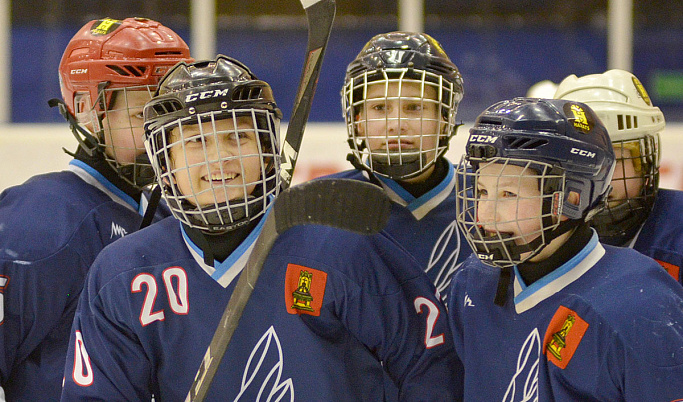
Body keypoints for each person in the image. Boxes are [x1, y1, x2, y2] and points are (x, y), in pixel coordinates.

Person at [60, 55, 463, 401]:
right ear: (165, 162)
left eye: (238, 136)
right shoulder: (123, 275)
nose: (221, 159)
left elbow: (430, 370)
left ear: (267, 150)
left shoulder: (343, 248)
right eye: (197, 141)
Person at [0, 17, 190, 400]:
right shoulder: (39, 226)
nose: (163, 131)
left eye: (171, 111)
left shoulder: (165, 216)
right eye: (143, 115)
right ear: (88, 109)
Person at [448, 97, 683, 400]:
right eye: (481, 191)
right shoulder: (472, 282)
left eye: (509, 193)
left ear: (572, 197)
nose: (485, 213)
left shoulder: (644, 305)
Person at [324, 31, 471, 300]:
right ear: (357, 120)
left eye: (415, 107)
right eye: (380, 108)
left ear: (444, 118)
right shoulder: (325, 205)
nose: (396, 124)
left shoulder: (488, 198)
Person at [554, 69, 683, 285]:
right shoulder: (535, 239)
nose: (600, 179)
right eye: (584, 161)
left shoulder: (676, 234)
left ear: (644, 163)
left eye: (616, 160)